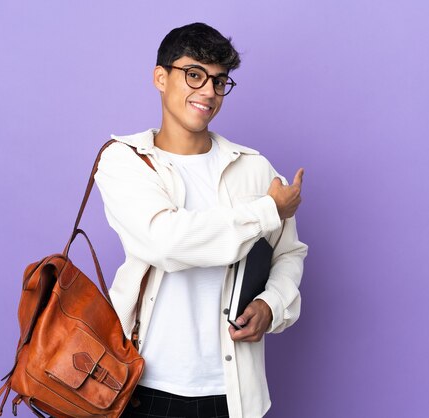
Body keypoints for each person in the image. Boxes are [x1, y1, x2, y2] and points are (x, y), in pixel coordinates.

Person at [95, 22, 308, 418]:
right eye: (194, 75)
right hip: (144, 385)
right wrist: (266, 211)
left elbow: (290, 253)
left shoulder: (254, 168)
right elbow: (166, 243)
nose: (208, 92)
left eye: (219, 80)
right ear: (161, 77)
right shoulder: (124, 160)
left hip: (233, 391)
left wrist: (271, 304)